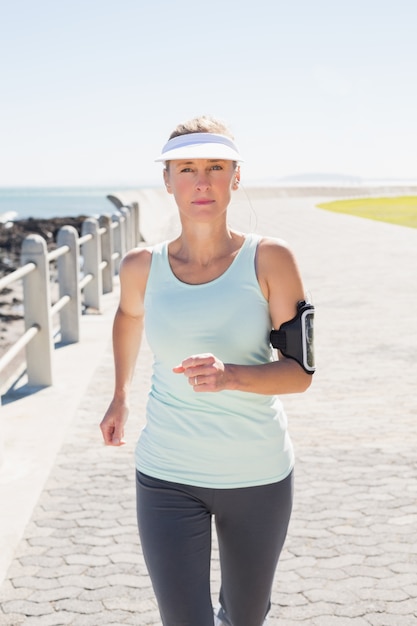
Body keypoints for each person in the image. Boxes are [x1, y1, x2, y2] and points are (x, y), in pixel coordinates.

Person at [100, 115, 314, 626]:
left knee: (244, 618)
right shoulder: (140, 266)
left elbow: (300, 374)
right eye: (187, 168)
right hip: (167, 473)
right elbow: (129, 317)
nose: (202, 181)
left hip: (256, 474)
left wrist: (232, 376)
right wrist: (119, 395)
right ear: (168, 180)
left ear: (235, 177)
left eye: (216, 167)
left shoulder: (271, 259)